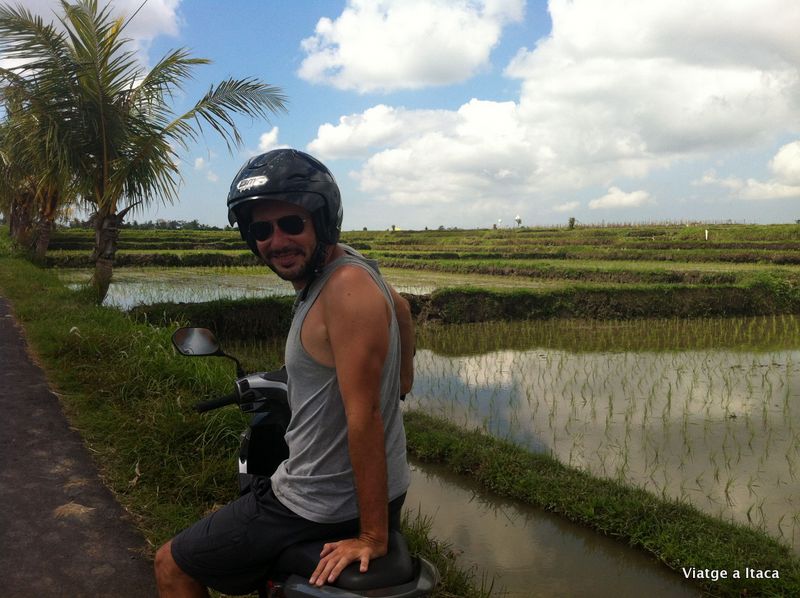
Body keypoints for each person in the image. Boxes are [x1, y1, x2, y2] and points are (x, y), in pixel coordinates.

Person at [154, 149, 414, 596]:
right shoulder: (349, 264)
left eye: (292, 224)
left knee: (171, 564)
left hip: (318, 500)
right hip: (386, 489)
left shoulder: (344, 288)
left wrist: (373, 536)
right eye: (262, 230)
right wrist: (403, 380)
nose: (277, 241)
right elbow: (403, 307)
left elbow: (365, 416)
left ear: (322, 221)